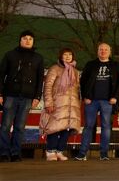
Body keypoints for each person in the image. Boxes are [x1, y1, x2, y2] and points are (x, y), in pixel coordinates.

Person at [0, 30, 44, 162]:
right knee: (5, 126)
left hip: (27, 97)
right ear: (20, 40)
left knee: (20, 127)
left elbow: (40, 79)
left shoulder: (38, 58)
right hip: (10, 95)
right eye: (25, 38)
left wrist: (37, 97)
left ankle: (15, 153)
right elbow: (1, 75)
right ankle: (3, 153)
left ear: (33, 41)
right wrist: (0, 94)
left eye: (30, 39)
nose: (28, 41)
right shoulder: (10, 55)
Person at [76, 43, 119, 161]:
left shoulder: (116, 65)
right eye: (101, 49)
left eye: (105, 49)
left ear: (110, 51)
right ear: (97, 51)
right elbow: (83, 81)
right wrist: (85, 96)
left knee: (106, 127)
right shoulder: (90, 64)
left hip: (108, 101)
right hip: (91, 101)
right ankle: (82, 153)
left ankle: (104, 154)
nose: (103, 51)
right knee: (88, 126)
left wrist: (115, 97)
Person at [39, 48, 81, 161]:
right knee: (54, 128)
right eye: (65, 54)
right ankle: (50, 151)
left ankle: (60, 151)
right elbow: (48, 86)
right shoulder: (55, 69)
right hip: (57, 103)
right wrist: (48, 102)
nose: (67, 57)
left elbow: (76, 89)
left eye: (70, 55)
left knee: (66, 129)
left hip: (71, 105)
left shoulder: (75, 72)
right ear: (61, 57)